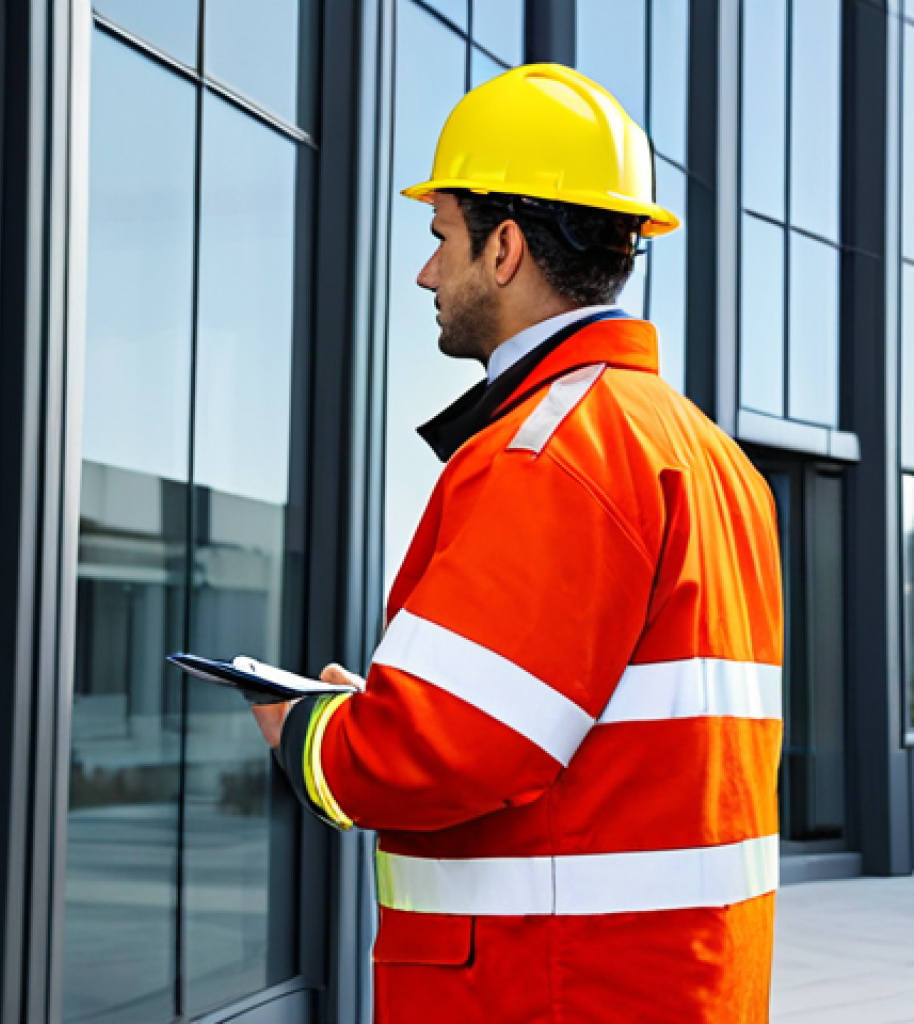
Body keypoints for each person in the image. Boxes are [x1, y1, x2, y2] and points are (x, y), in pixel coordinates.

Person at [253, 63, 783, 1024]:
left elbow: (441, 750)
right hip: (675, 983)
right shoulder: (712, 458)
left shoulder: (552, 452)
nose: (425, 272)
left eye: (440, 237)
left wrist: (311, 735)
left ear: (503, 249)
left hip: (549, 988)